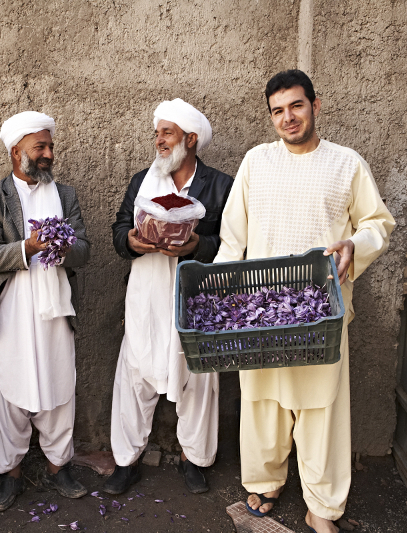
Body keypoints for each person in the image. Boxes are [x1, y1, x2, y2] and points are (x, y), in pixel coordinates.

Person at [214, 70, 395, 533]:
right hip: (261, 312)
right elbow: (234, 236)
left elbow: (377, 223)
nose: (288, 117)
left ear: (316, 105)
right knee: (262, 402)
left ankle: (322, 504)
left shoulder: (347, 163)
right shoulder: (256, 162)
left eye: (296, 106)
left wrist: (356, 245)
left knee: (321, 409)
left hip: (321, 313)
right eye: (278, 110)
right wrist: (221, 295)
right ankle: (266, 482)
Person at [106, 99, 233, 495]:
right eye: (157, 132)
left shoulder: (220, 185)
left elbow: (231, 243)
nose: (158, 140)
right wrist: (130, 240)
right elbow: (119, 229)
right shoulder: (141, 180)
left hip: (196, 299)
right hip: (146, 295)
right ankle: (126, 461)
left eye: (167, 133)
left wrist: (196, 244)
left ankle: (192, 459)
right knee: (135, 373)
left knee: (197, 377)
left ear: (190, 140)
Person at [0, 111, 91, 512]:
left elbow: (85, 251)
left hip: (55, 309)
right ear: (15, 151)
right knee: (7, 391)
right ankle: (9, 472)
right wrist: (29, 246)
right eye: (40, 147)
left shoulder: (67, 195)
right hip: (11, 311)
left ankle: (60, 466)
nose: (48, 154)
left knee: (59, 384)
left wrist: (63, 248)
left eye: (50, 146)